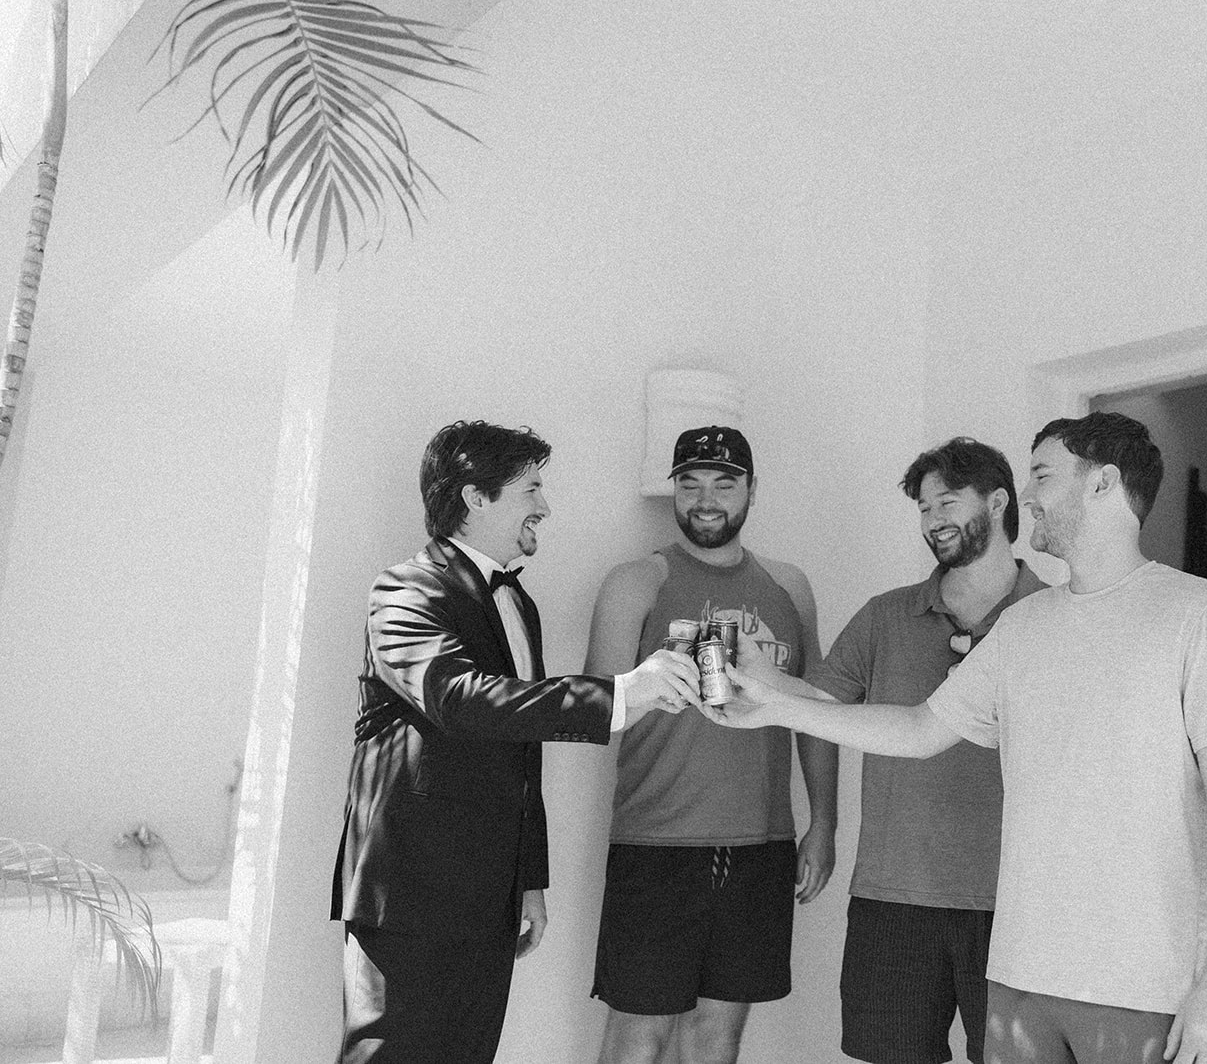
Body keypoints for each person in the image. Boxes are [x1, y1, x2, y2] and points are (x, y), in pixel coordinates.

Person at [711, 412, 1207, 1064]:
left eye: (1042, 475)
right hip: (1017, 981)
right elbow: (918, 727)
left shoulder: (1200, 614)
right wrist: (776, 703)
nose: (1028, 496)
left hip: (1146, 986)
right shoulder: (1023, 628)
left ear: (1103, 483)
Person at [331, 420, 701, 1064]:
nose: (544, 506)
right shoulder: (405, 588)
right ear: (476, 498)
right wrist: (619, 694)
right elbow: (461, 700)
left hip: (491, 897)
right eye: (531, 489)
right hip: (410, 893)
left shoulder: (518, 602)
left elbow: (519, 752)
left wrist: (528, 879)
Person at [755, 436, 1045, 1064]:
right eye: (922, 507)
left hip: (1017, 903)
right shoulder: (885, 617)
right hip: (892, 895)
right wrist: (824, 821)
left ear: (998, 503)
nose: (932, 519)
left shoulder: (1051, 616)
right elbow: (816, 710)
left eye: (947, 501)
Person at [586, 425, 838, 1064]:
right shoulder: (637, 581)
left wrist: (824, 823)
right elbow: (586, 713)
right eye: (691, 484)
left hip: (763, 844)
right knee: (638, 1040)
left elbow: (816, 712)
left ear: (752, 490)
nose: (706, 499)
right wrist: (649, 684)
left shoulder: (790, 587)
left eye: (724, 484)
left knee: (716, 1040)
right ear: (672, 490)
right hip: (657, 842)